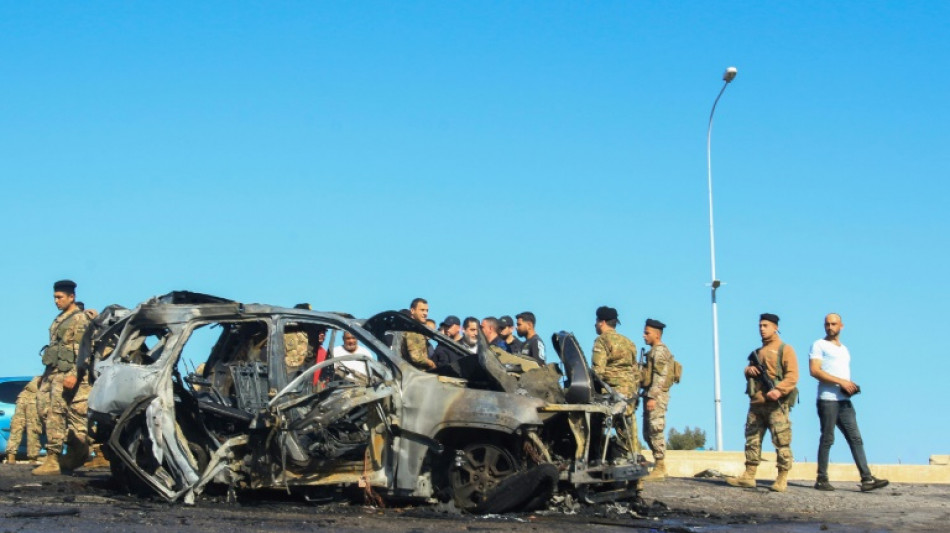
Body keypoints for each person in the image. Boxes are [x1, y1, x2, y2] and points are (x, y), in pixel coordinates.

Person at [809, 313, 888, 492]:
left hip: (844, 401)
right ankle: (821, 479)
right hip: (827, 400)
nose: (830, 327)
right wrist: (841, 382)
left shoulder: (844, 349)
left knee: (855, 438)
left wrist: (849, 385)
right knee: (828, 438)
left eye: (833, 324)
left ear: (841, 326)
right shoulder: (819, 345)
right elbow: (814, 370)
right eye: (827, 324)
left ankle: (867, 479)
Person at [726, 313, 799, 492]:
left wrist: (779, 390)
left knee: (781, 440)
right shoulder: (757, 352)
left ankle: (782, 477)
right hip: (757, 402)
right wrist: (748, 370)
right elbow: (749, 371)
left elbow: (792, 376)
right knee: (752, 439)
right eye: (760, 325)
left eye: (766, 325)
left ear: (775, 327)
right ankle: (749, 475)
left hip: (776, 404)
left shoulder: (785, 349)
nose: (762, 328)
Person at [33, 279, 92, 476]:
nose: (56, 301)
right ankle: (78, 448)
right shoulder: (59, 319)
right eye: (55, 297)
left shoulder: (80, 319)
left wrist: (74, 374)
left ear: (71, 297)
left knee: (55, 414)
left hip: (67, 373)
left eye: (60, 297)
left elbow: (83, 350)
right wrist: (45, 376)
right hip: (53, 372)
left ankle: (54, 458)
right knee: (42, 409)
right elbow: (55, 349)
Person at [590, 306, 639, 456]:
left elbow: (598, 372)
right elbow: (636, 372)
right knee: (629, 436)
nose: (595, 324)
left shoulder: (602, 341)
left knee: (593, 427)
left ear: (602, 322)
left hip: (611, 397)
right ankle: (634, 463)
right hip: (629, 395)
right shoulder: (629, 342)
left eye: (596, 321)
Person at [641, 318, 674, 481]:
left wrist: (653, 397)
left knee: (655, 429)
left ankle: (660, 467)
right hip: (650, 394)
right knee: (647, 432)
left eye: (647, 333)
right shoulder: (653, 351)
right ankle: (658, 464)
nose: (644, 336)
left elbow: (660, 376)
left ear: (657, 335)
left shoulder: (660, 351)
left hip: (657, 395)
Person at [5, 376, 42, 464]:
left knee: (17, 427)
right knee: (33, 428)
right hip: (34, 399)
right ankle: (33, 457)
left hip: (21, 399)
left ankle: (11, 455)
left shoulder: (37, 378)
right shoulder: (51, 377)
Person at [401, 298, 436, 370]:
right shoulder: (412, 329)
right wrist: (431, 363)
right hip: (414, 374)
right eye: (422, 310)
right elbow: (416, 357)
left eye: (427, 311)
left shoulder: (417, 329)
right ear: (412, 311)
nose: (425, 313)